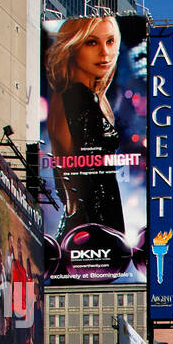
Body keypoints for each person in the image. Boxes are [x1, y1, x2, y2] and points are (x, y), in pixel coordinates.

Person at [45, 16, 126, 241]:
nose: (105, 52)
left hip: (84, 226)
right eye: (91, 42)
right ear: (71, 47)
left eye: (110, 42)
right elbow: (86, 174)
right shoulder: (77, 96)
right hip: (91, 229)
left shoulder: (76, 96)